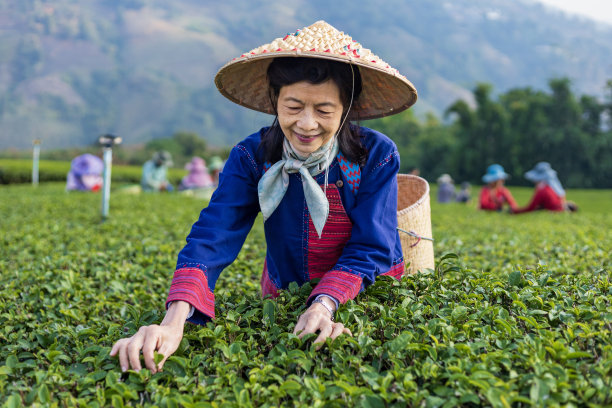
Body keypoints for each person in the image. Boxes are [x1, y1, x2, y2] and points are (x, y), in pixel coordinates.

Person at [110, 20, 418, 374]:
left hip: (364, 288)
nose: (306, 124)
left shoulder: (375, 155)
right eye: (293, 106)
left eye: (323, 110)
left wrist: (324, 303)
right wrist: (173, 319)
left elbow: (371, 247)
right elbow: (213, 235)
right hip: (285, 291)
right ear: (275, 100)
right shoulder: (252, 156)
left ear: (346, 107)